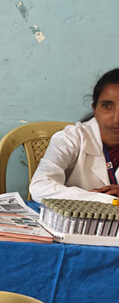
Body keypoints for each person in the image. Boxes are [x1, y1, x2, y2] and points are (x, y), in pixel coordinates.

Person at [30, 68, 119, 203]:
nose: (116, 118)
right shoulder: (71, 138)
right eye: (107, 106)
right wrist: (104, 199)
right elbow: (40, 187)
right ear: (95, 108)